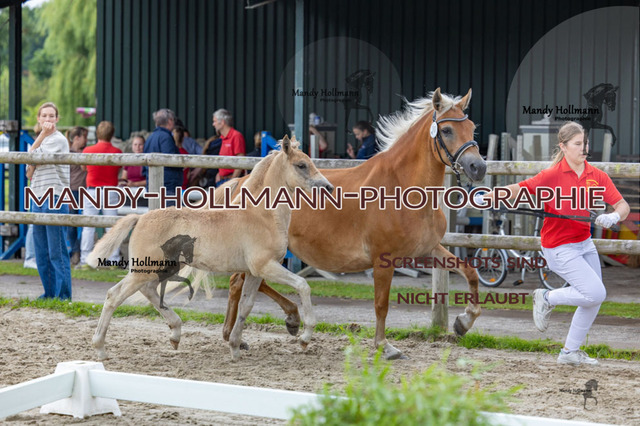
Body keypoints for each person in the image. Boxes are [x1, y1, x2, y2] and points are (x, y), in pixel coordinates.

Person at [478, 121, 630, 366]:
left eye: (585, 143)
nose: (584, 148)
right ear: (563, 146)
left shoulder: (597, 176)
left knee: (593, 299)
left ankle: (569, 352)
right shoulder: (552, 176)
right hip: (558, 247)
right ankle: (547, 297)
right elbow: (519, 189)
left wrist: (613, 216)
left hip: (584, 244)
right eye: (578, 144)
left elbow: (623, 205)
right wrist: (487, 196)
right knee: (595, 292)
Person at [28, 102, 72, 299]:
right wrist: (33, 158)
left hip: (54, 197)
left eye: (51, 116)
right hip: (37, 195)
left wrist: (39, 140)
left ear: (57, 119)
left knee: (57, 250)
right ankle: (49, 293)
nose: (48, 119)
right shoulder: (41, 140)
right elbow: (29, 171)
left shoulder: (57, 140)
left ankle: (63, 296)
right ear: (38, 119)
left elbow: (33, 159)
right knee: (41, 250)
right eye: (44, 115)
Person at [78, 121, 123, 268]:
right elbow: (118, 169)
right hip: (111, 190)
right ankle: (114, 259)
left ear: (97, 133)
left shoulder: (88, 150)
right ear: (112, 134)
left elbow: (83, 168)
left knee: (88, 226)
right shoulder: (117, 151)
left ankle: (85, 260)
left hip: (92, 190)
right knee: (112, 227)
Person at [143, 108, 183, 201]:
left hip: (153, 184)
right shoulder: (166, 137)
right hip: (167, 186)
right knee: (170, 210)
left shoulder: (150, 138)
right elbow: (171, 161)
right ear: (170, 121)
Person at [66, 126, 88, 265]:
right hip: (73, 190)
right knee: (72, 223)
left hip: (86, 190)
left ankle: (82, 250)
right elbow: (64, 175)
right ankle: (75, 251)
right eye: (84, 137)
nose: (86, 140)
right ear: (76, 138)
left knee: (87, 223)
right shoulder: (68, 153)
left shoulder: (86, 152)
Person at [212, 109, 245, 187]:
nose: (213, 124)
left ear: (222, 122)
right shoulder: (223, 137)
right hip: (222, 180)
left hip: (231, 180)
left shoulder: (236, 136)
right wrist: (219, 173)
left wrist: (232, 181)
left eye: (215, 121)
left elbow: (241, 161)